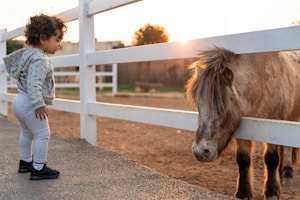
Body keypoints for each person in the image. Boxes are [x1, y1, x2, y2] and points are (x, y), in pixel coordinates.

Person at [3, 14, 67, 180]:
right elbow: (34, 83)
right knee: (42, 134)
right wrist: (39, 104)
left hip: (20, 100)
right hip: (31, 103)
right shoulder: (39, 59)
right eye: (57, 39)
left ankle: (25, 162)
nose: (58, 44)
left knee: (26, 133)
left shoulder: (27, 54)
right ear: (43, 38)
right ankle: (38, 168)